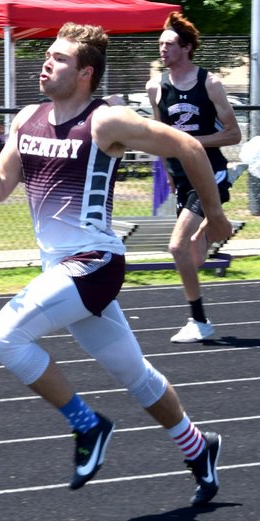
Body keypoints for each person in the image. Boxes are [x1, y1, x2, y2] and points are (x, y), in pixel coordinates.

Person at [0, 22, 233, 506]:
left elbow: (185, 146)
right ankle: (198, 446)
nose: (46, 62)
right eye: (47, 55)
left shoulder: (106, 121)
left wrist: (218, 214)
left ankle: (88, 424)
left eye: (58, 58)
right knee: (135, 375)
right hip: (61, 270)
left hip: (95, 263)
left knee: (4, 336)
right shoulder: (28, 118)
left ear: (85, 74)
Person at [146, 12, 241, 343]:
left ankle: (199, 321)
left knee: (176, 247)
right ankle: (219, 223)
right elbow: (159, 136)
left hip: (208, 172)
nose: (162, 50)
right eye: (160, 44)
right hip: (182, 179)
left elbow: (233, 134)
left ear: (186, 48)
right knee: (193, 257)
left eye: (169, 45)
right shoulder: (156, 87)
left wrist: (190, 144)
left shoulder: (210, 84)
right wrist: (167, 169)